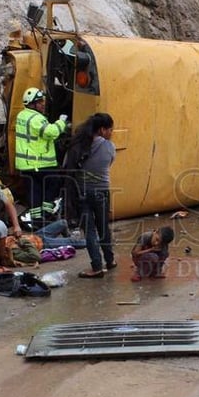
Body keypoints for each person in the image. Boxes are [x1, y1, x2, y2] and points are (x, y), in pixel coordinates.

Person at [63, 113, 117, 278]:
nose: (111, 133)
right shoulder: (109, 147)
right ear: (102, 129)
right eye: (110, 130)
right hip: (102, 192)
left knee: (90, 230)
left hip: (82, 193)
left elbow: (68, 167)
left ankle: (96, 267)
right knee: (103, 227)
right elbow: (109, 162)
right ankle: (110, 260)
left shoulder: (78, 146)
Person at [14, 87, 68, 222]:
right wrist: (62, 122)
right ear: (32, 104)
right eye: (39, 101)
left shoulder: (22, 115)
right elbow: (52, 132)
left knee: (34, 191)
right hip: (40, 163)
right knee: (53, 183)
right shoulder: (37, 118)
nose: (43, 104)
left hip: (26, 164)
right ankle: (47, 214)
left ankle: (37, 219)